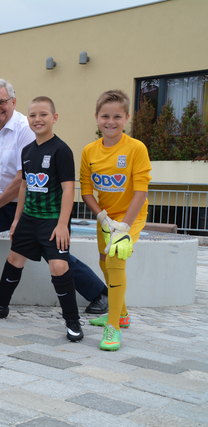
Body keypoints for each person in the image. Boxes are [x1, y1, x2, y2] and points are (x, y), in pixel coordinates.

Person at [0, 79, 107, 319]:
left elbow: (20, 179)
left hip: (28, 205)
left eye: (1, 101)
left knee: (52, 253)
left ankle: (99, 293)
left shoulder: (27, 127)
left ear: (13, 101)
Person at [0, 97, 84, 341]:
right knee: (14, 258)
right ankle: (0, 305)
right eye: (33, 115)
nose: (38, 119)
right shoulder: (27, 150)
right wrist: (16, 220)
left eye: (43, 114)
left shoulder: (62, 150)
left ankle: (73, 321)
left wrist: (62, 225)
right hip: (28, 218)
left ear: (54, 118)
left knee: (59, 266)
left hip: (52, 220)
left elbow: (68, 190)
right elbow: (23, 187)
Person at [80, 90, 151, 351]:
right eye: (105, 116)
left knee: (115, 259)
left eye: (117, 116)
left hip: (131, 216)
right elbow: (86, 190)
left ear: (127, 118)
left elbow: (141, 190)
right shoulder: (89, 151)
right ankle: (121, 313)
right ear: (97, 118)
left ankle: (113, 326)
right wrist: (101, 216)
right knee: (104, 262)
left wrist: (124, 226)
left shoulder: (136, 148)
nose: (111, 121)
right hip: (106, 216)